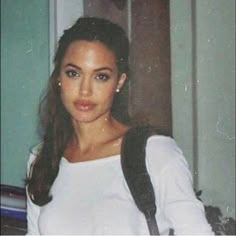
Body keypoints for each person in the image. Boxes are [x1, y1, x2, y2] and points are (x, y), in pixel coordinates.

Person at [26, 17, 214, 235]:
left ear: (120, 82)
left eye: (101, 76)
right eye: (74, 73)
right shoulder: (41, 160)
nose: (85, 90)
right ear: (59, 76)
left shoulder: (153, 152)